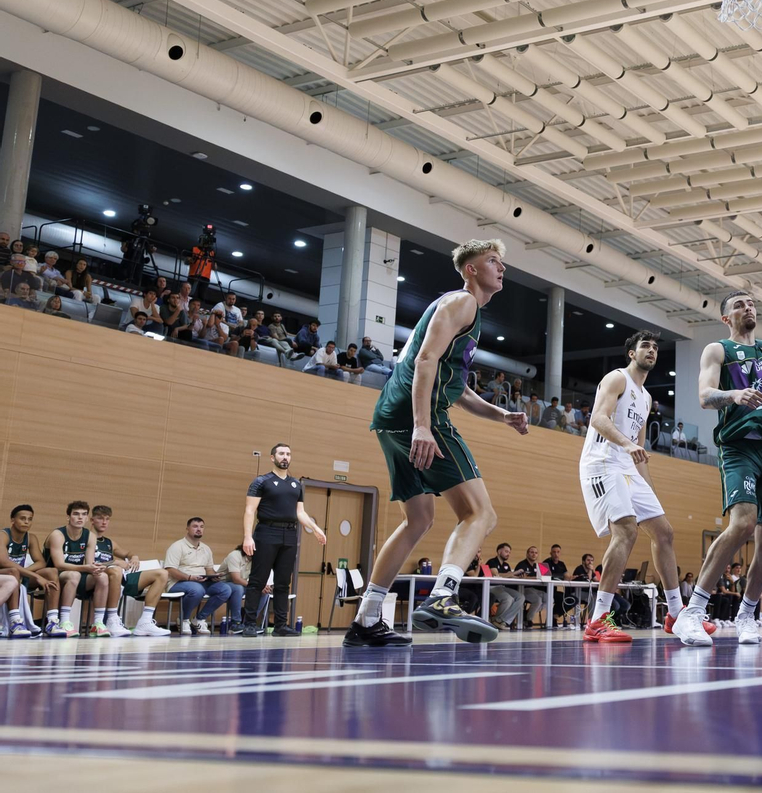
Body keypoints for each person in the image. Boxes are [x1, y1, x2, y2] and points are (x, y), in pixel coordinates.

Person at [346, 239, 528, 648]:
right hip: (417, 415)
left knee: (419, 520)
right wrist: (424, 426)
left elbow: (458, 389)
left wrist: (503, 415)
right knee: (481, 514)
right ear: (471, 269)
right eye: (494, 261)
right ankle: (445, 594)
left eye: (502, 261)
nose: (502, 268)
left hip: (391, 418)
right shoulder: (462, 303)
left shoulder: (463, 314)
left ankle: (366, 619)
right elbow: (425, 361)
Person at [672, 295, 762, 647]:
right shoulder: (717, 350)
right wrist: (734, 395)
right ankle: (692, 613)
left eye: (751, 303)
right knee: (743, 523)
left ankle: (747, 615)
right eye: (738, 304)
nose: (747, 308)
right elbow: (705, 397)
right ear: (726, 317)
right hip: (738, 446)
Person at [578, 330, 707, 644]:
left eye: (655, 347)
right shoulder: (616, 379)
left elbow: (640, 452)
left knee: (664, 531)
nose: (652, 350)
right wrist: (625, 444)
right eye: (645, 346)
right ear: (632, 354)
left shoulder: (646, 397)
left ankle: (675, 613)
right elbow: (598, 418)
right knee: (627, 530)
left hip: (626, 468)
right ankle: (597, 620)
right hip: (602, 462)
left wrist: (651, 493)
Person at [238, 443, 326, 637]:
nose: (285, 457)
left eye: (288, 454)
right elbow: (249, 511)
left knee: (283, 582)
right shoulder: (261, 481)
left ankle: (280, 625)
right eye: (281, 454)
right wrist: (247, 537)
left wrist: (316, 528)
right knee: (257, 581)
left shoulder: (296, 484)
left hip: (289, 535)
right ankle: (250, 624)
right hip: (266, 532)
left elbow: (300, 513)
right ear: (272, 458)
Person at [90, 505, 169, 637]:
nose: (104, 522)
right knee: (115, 570)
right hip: (101, 578)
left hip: (121, 578)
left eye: (107, 519)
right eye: (100, 518)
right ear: (92, 520)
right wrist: (114, 562)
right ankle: (112, 619)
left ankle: (145, 622)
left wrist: (134, 556)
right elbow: (87, 564)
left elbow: (127, 552)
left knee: (162, 573)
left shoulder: (109, 542)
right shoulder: (87, 539)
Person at [45, 500, 112, 636]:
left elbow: (90, 562)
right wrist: (86, 568)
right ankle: (64, 621)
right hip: (55, 576)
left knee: (102, 577)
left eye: (83, 514)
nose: (80, 517)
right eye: (76, 514)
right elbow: (59, 565)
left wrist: (96, 568)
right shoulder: (57, 535)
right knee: (73, 575)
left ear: (87, 518)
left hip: (76, 574)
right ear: (68, 517)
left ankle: (97, 623)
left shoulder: (90, 536)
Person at [164, 517, 231, 634]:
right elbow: (170, 569)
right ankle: (184, 619)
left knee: (225, 589)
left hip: (201, 581)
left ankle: (199, 619)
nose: (199, 529)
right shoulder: (177, 546)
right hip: (177, 583)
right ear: (187, 528)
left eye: (201, 527)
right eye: (195, 526)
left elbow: (209, 569)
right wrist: (189, 577)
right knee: (197, 589)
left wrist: (214, 576)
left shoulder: (206, 548)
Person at [5, 504, 63, 637]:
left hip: (20, 574)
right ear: (12, 520)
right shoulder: (4, 535)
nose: (26, 522)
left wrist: (25, 572)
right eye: (22, 518)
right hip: (4, 575)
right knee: (13, 572)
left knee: (51, 572)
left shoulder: (31, 538)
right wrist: (32, 575)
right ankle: (15, 622)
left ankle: (52, 621)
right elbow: (4, 561)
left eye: (30, 519)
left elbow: (41, 562)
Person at [486, 543, 523, 631]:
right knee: (508, 599)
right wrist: (513, 573)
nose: (508, 554)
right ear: (499, 551)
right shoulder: (492, 562)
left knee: (521, 597)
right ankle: (497, 620)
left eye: (509, 552)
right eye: (506, 551)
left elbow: (509, 575)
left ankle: (501, 620)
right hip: (492, 587)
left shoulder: (506, 565)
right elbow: (496, 574)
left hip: (502, 587)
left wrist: (518, 576)